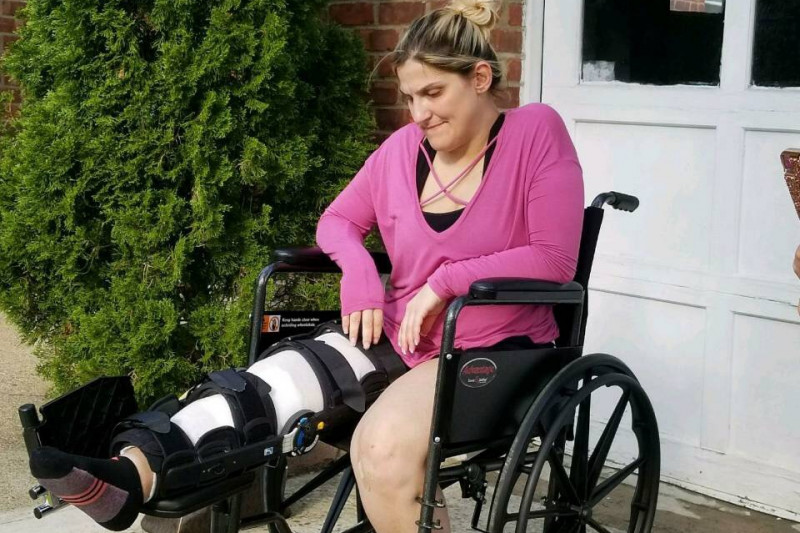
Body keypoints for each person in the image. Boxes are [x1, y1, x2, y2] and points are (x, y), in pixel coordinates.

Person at [27, 1, 585, 532]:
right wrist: (360, 273)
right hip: (398, 335)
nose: (419, 114)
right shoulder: (401, 151)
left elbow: (555, 258)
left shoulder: (535, 132)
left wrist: (444, 282)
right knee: (264, 389)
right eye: (410, 97)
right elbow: (338, 221)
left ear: (480, 78)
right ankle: (131, 475)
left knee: (380, 451)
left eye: (434, 93)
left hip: (491, 349)